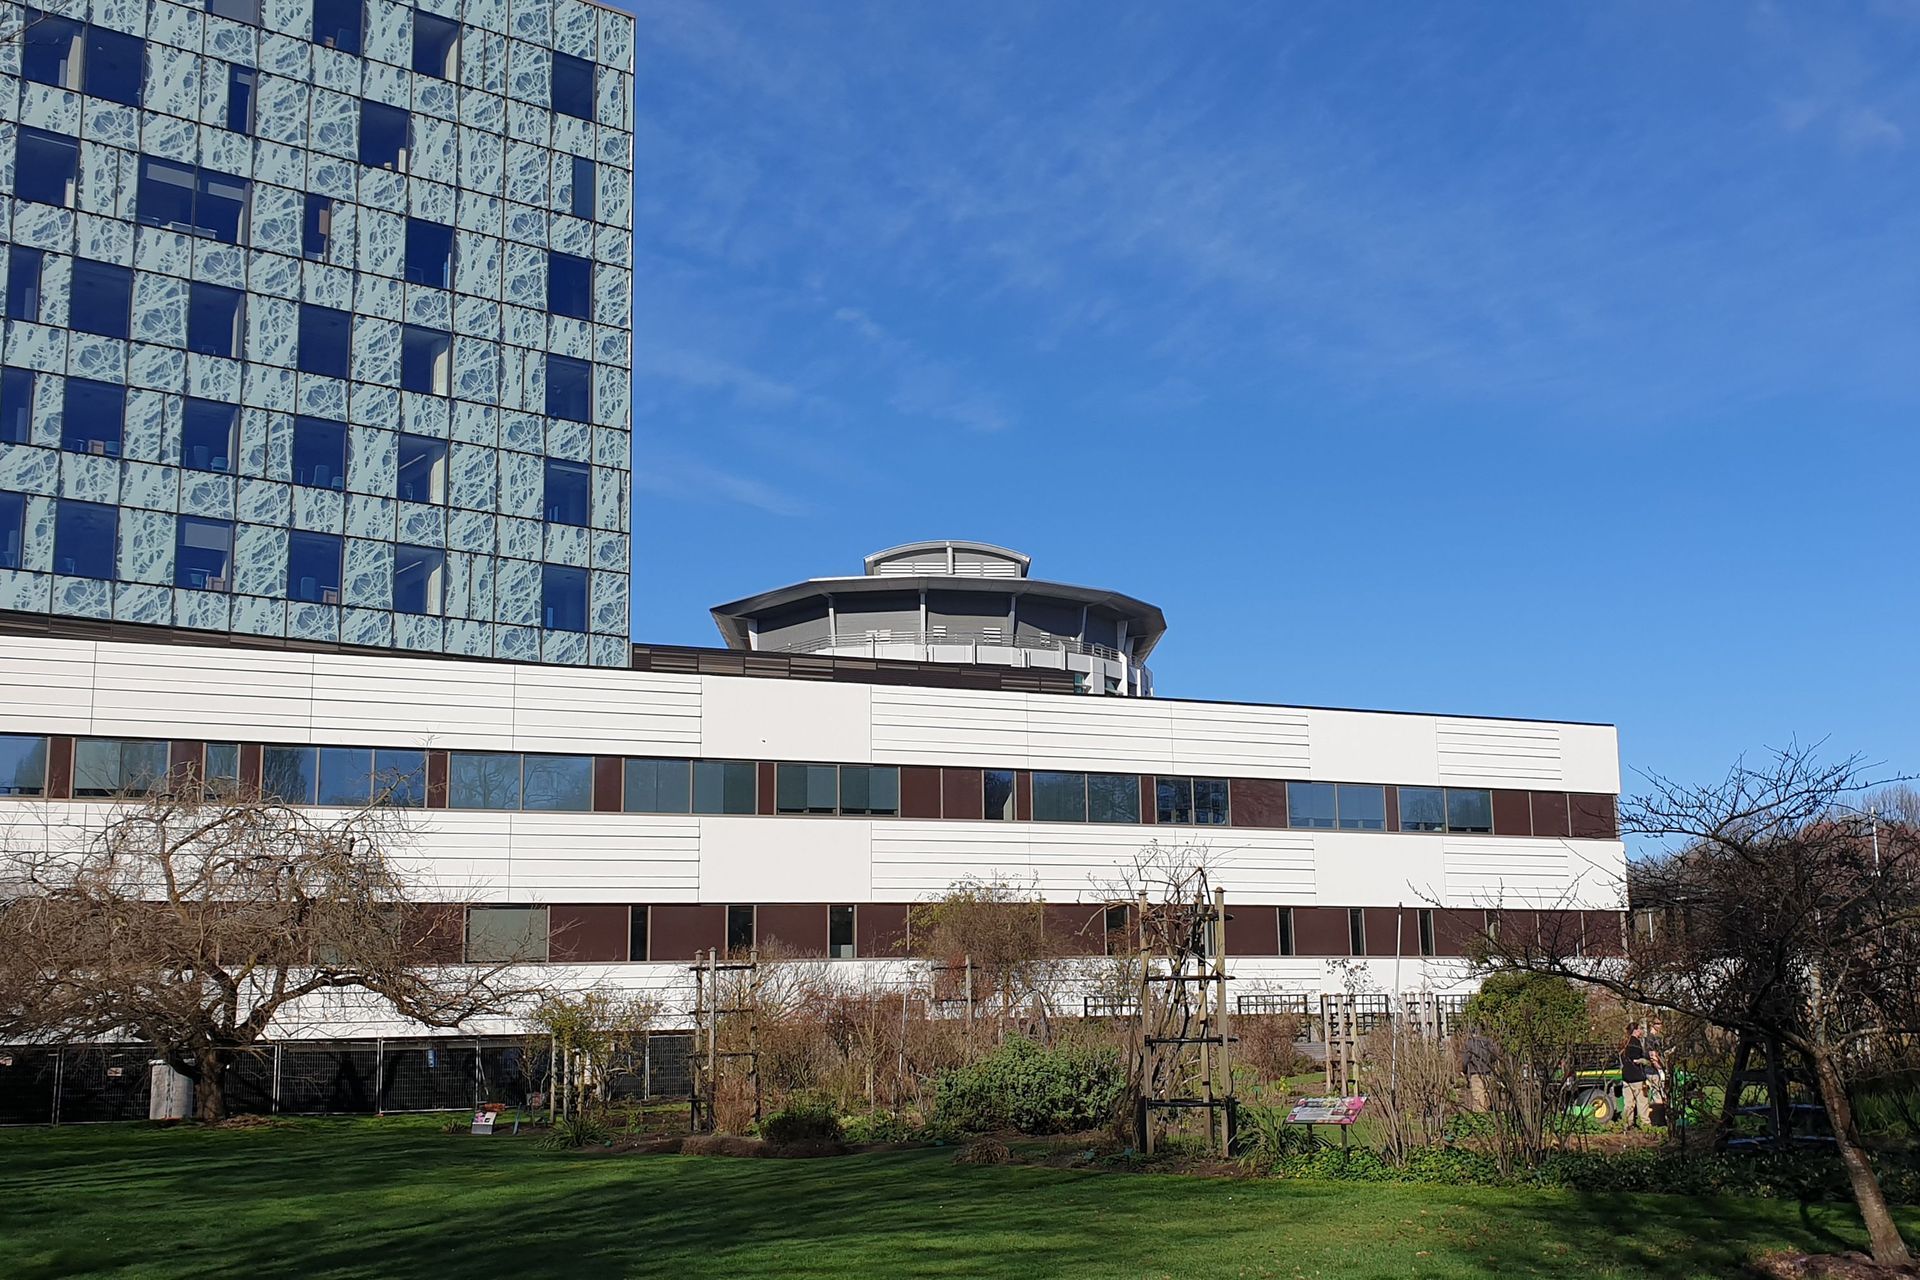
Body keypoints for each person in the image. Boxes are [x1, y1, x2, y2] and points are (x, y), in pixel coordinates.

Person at [1619, 1021, 1652, 1128]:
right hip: (1636, 1077)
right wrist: (1645, 1061)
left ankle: (1626, 1124)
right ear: (1635, 1030)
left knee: (1628, 1104)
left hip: (1625, 1077)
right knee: (1642, 1102)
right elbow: (1637, 1060)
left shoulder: (1624, 1043)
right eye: (1640, 1029)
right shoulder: (1636, 1043)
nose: (1641, 1031)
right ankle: (1645, 1125)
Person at [1462, 1030, 1496, 1111]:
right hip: (1487, 1072)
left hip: (1475, 1072)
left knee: (1478, 1098)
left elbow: (1465, 1059)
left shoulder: (1470, 1043)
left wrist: (1464, 1070)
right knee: (1485, 1095)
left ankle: (1480, 1120)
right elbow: (1494, 1057)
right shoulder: (1488, 1042)